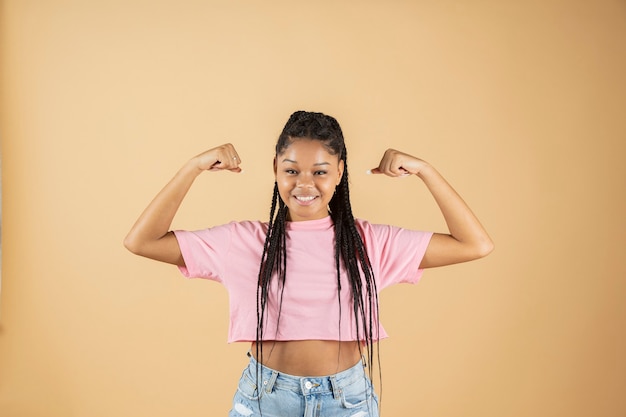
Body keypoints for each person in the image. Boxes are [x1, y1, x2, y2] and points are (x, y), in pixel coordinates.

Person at [124, 110, 493, 417]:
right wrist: (193, 166)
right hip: (265, 399)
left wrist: (425, 170)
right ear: (275, 169)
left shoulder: (369, 242)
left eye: (319, 171)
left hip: (347, 402)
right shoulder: (243, 242)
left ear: (339, 171)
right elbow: (141, 241)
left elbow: (474, 244)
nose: (304, 184)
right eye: (291, 170)